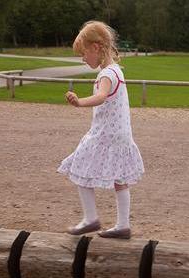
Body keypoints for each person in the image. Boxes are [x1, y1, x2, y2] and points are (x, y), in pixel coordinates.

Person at [58, 21, 144, 239]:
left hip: (104, 135)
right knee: (120, 180)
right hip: (121, 136)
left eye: (83, 53)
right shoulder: (117, 71)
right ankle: (123, 226)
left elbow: (101, 96)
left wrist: (79, 102)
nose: (83, 59)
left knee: (79, 167)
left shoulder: (107, 74)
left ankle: (90, 219)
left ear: (95, 47)